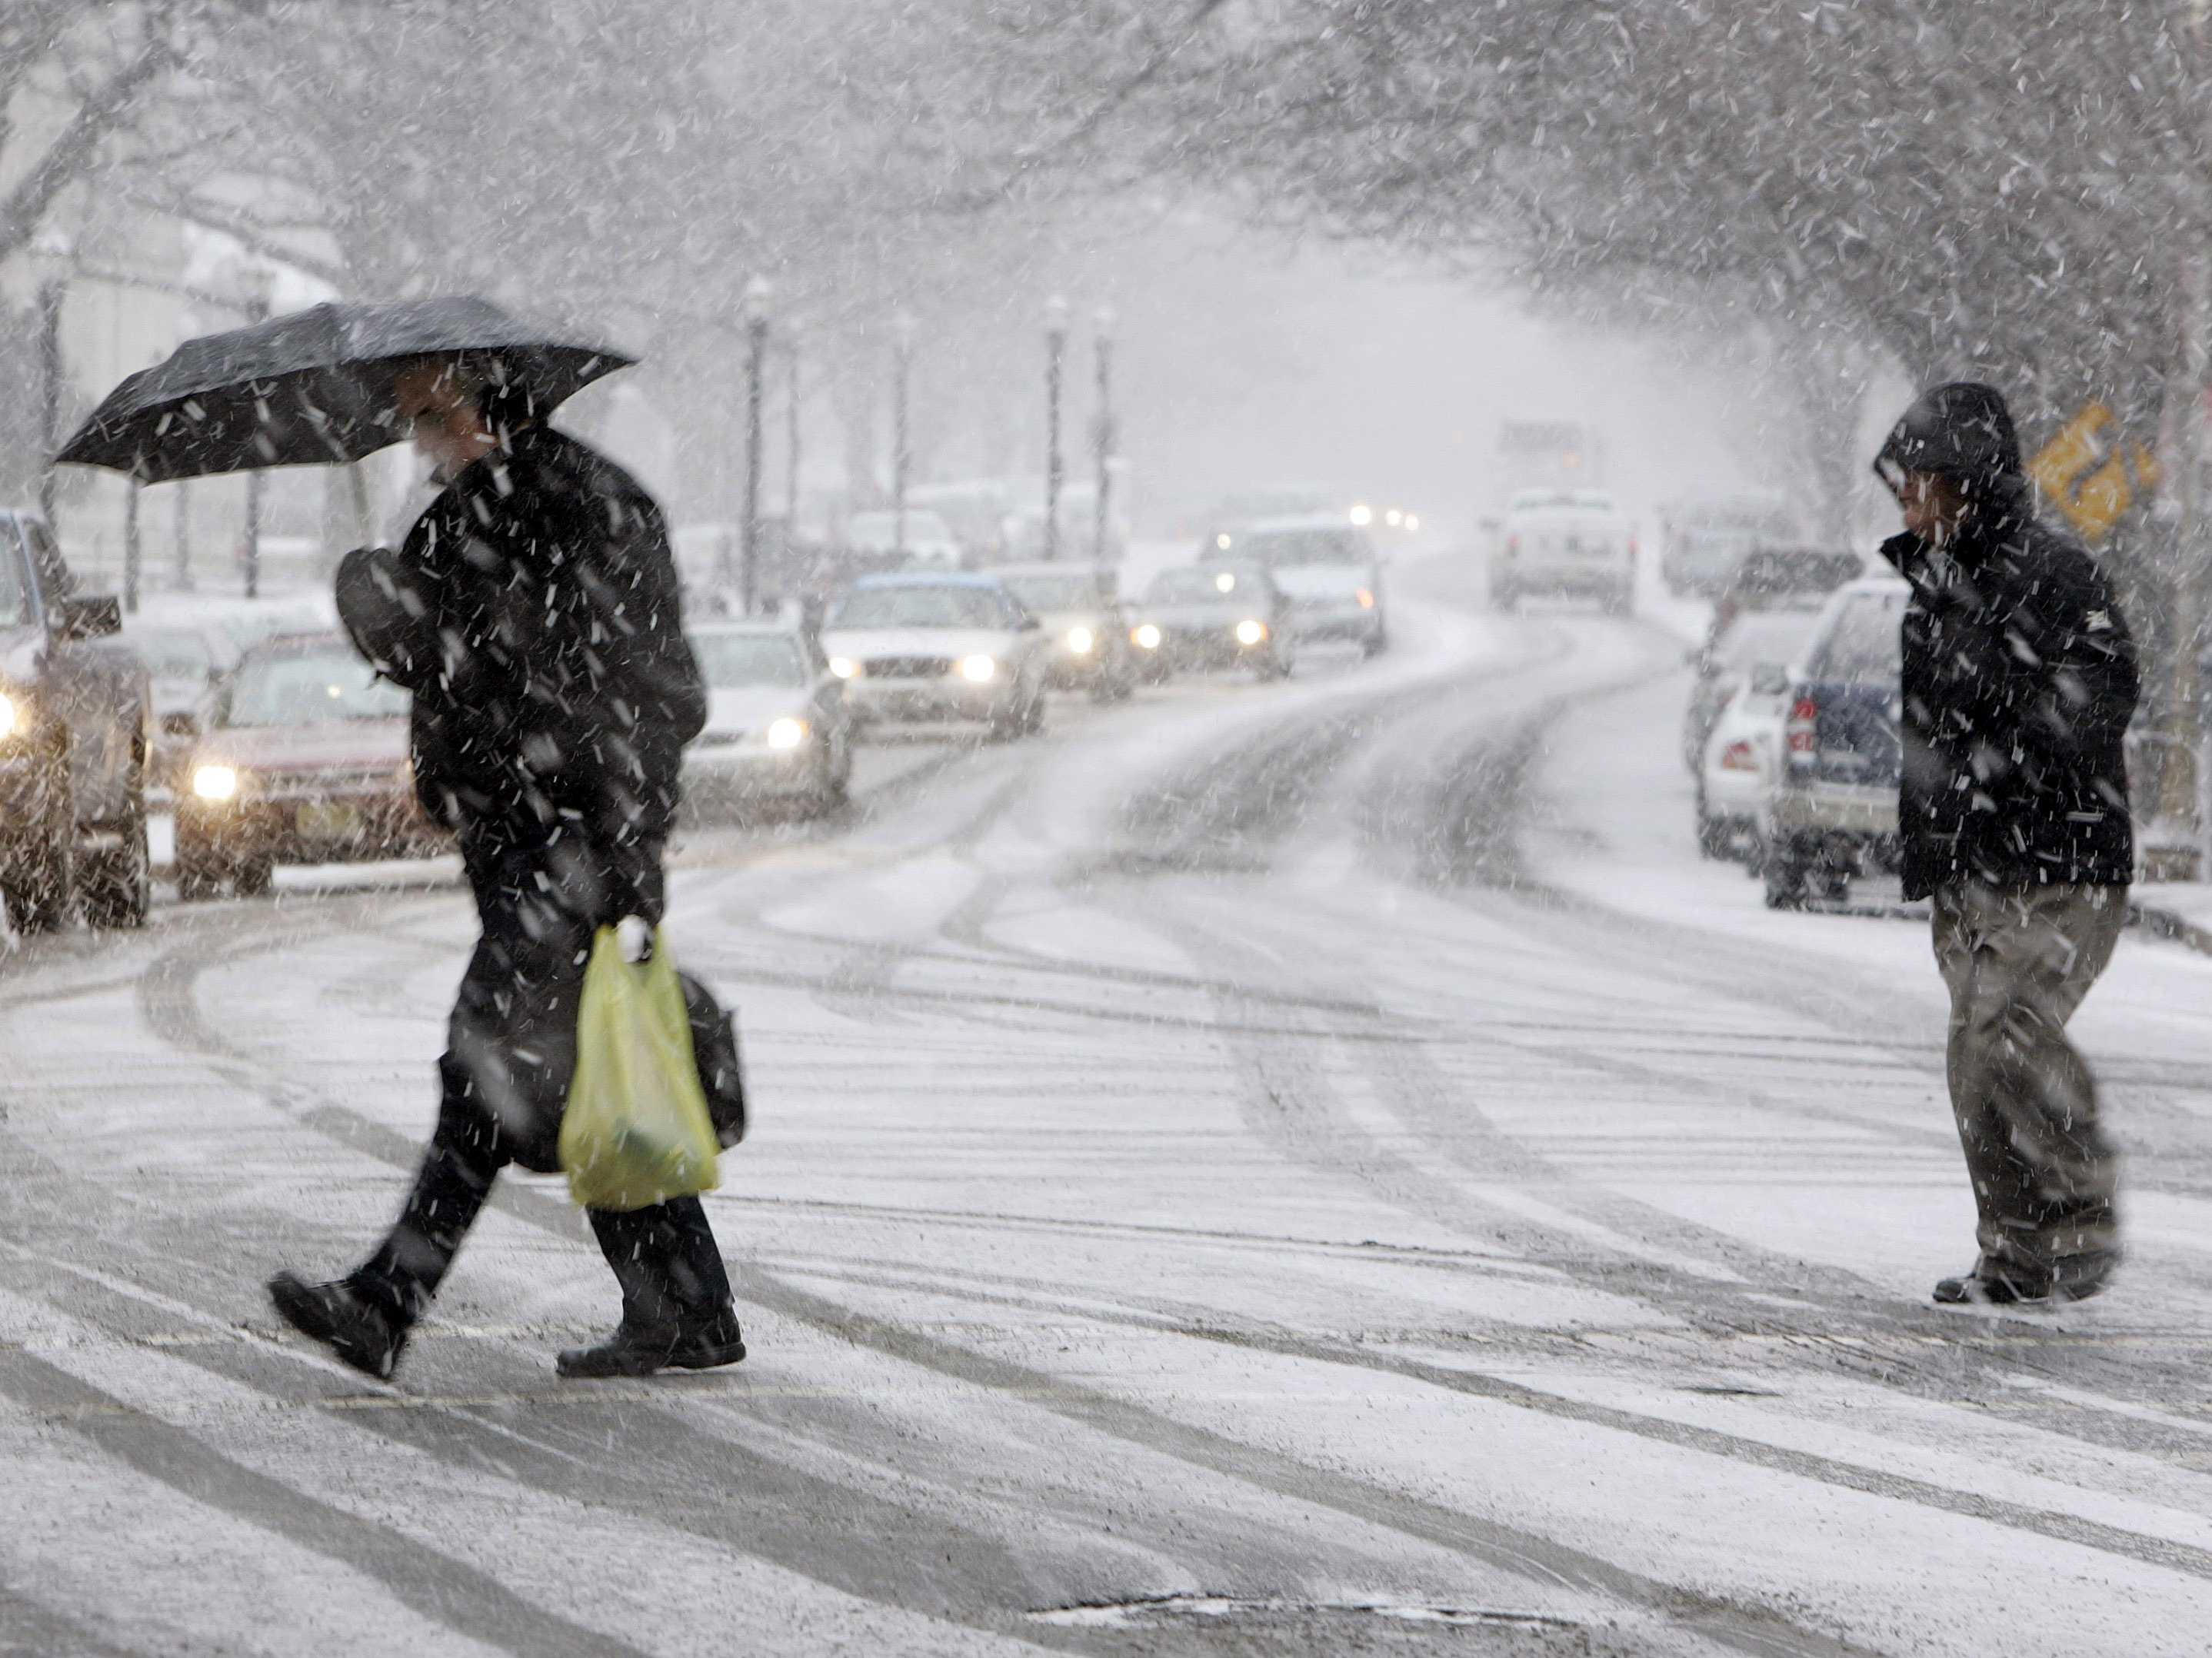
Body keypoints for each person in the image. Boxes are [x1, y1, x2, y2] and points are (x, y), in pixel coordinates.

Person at [268, 355, 745, 1379]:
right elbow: (436, 659)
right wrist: (383, 610)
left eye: (426, 410)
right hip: (515, 843)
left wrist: (619, 852)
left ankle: (386, 1301)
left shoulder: (594, 507)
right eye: (407, 418)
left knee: (480, 1070)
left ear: (481, 401)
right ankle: (687, 1308)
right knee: (583, 1078)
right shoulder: (455, 520)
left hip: (571, 849)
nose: (414, 433)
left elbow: (663, 698)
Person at [1874, 381, 2140, 1307]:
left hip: (2058, 860)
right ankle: (2016, 1255)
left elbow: (2104, 689)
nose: (1904, 500)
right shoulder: (1932, 591)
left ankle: (2078, 1208)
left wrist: (2016, 751)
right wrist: (1928, 847)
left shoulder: (2054, 574)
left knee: (2006, 1035)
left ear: (1963, 482)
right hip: (1973, 870)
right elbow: (1925, 736)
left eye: (1918, 482)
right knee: (1973, 1065)